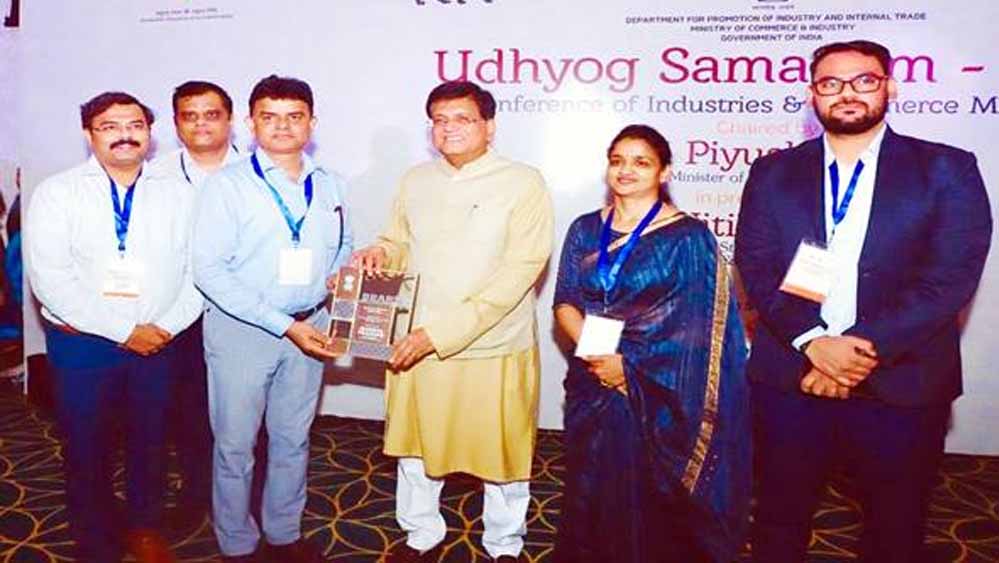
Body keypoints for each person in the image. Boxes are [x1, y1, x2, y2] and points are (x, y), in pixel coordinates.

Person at [734, 40, 993, 563]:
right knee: (779, 519)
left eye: (864, 80)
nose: (846, 93)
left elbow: (949, 277)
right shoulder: (772, 172)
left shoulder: (947, 168)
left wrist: (855, 350)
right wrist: (813, 342)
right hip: (791, 378)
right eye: (830, 83)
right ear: (812, 94)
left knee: (895, 526)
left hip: (901, 381)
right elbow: (756, 265)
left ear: (889, 87)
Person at [353, 80, 554, 563]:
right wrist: (380, 252)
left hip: (492, 343)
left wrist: (439, 335)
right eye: (440, 121)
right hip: (416, 339)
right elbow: (398, 240)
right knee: (416, 448)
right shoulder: (415, 179)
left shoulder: (523, 182)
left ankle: (504, 543)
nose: (450, 129)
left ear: (489, 126)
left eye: (463, 119)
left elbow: (522, 270)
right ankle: (420, 533)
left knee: (502, 454)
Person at [551, 124, 750, 563]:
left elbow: (700, 331)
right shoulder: (585, 228)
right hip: (591, 379)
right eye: (617, 160)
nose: (626, 170)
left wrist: (630, 369)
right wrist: (597, 355)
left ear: (664, 172)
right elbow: (565, 300)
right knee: (589, 487)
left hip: (657, 391)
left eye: (641, 162)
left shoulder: (689, 237)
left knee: (641, 500)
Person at [26, 91, 202, 563]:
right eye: (109, 126)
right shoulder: (57, 192)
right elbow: (50, 280)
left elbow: (197, 272)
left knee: (151, 439)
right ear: (89, 135)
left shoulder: (180, 193)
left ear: (150, 133)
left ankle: (145, 527)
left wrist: (165, 327)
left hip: (158, 341)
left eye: (135, 125)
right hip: (84, 345)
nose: (125, 135)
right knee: (87, 444)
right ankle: (95, 537)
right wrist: (125, 331)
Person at [193, 75, 352, 562]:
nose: (283, 126)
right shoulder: (227, 186)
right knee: (235, 447)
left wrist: (338, 275)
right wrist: (284, 325)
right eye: (270, 117)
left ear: (312, 122)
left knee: (292, 439)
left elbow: (343, 242)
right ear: (251, 123)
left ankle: (284, 533)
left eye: (294, 116)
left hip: (312, 326)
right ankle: (236, 542)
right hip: (243, 331)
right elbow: (209, 271)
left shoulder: (330, 182)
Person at [151, 79, 242, 531]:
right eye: (190, 115)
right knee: (187, 413)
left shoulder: (257, 171)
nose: (201, 124)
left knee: (245, 420)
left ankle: (245, 502)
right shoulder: (155, 176)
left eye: (212, 114)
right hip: (179, 316)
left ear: (230, 120)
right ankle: (194, 496)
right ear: (176, 123)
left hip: (243, 315)